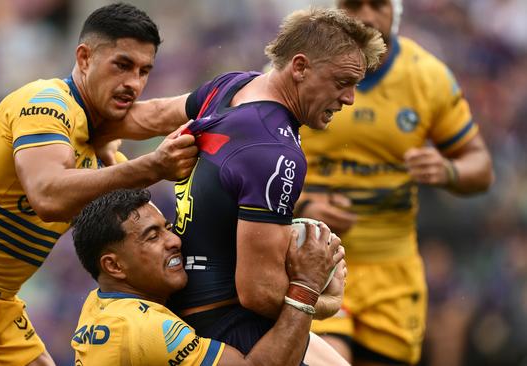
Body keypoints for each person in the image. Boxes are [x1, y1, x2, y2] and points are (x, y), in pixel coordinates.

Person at [0, 3, 198, 366]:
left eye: (144, 71)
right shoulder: (46, 104)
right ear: (84, 57)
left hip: (2, 311)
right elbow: (47, 194)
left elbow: (145, 236)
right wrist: (153, 165)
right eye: (122, 65)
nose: (133, 84)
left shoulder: (107, 161)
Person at [93, 6, 385, 357]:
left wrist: (88, 126)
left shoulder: (233, 85)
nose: (349, 98)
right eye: (342, 83)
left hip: (185, 310)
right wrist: (323, 297)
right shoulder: (276, 153)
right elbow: (259, 292)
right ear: (300, 67)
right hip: (230, 326)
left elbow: (147, 116)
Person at [296, 1, 495, 365]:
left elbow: (480, 167)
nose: (368, 16)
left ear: (397, 10)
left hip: (394, 274)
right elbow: (252, 168)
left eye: (379, 4)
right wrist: (304, 204)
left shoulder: (428, 77)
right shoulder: (299, 72)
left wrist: (448, 170)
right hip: (316, 263)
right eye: (354, 4)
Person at [70, 188, 343, 366]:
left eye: (167, 228)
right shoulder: (146, 328)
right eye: (153, 236)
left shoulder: (98, 304)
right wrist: (305, 285)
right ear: (114, 266)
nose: (174, 241)